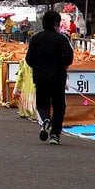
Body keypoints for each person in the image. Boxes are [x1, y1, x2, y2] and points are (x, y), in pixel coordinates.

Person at [25, 10, 74, 145]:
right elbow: (69, 58)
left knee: (42, 104)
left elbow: (29, 59)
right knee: (59, 106)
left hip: (40, 77)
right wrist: (62, 64)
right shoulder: (62, 39)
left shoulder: (36, 39)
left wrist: (38, 67)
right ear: (56, 23)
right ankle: (55, 135)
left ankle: (46, 119)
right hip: (58, 77)